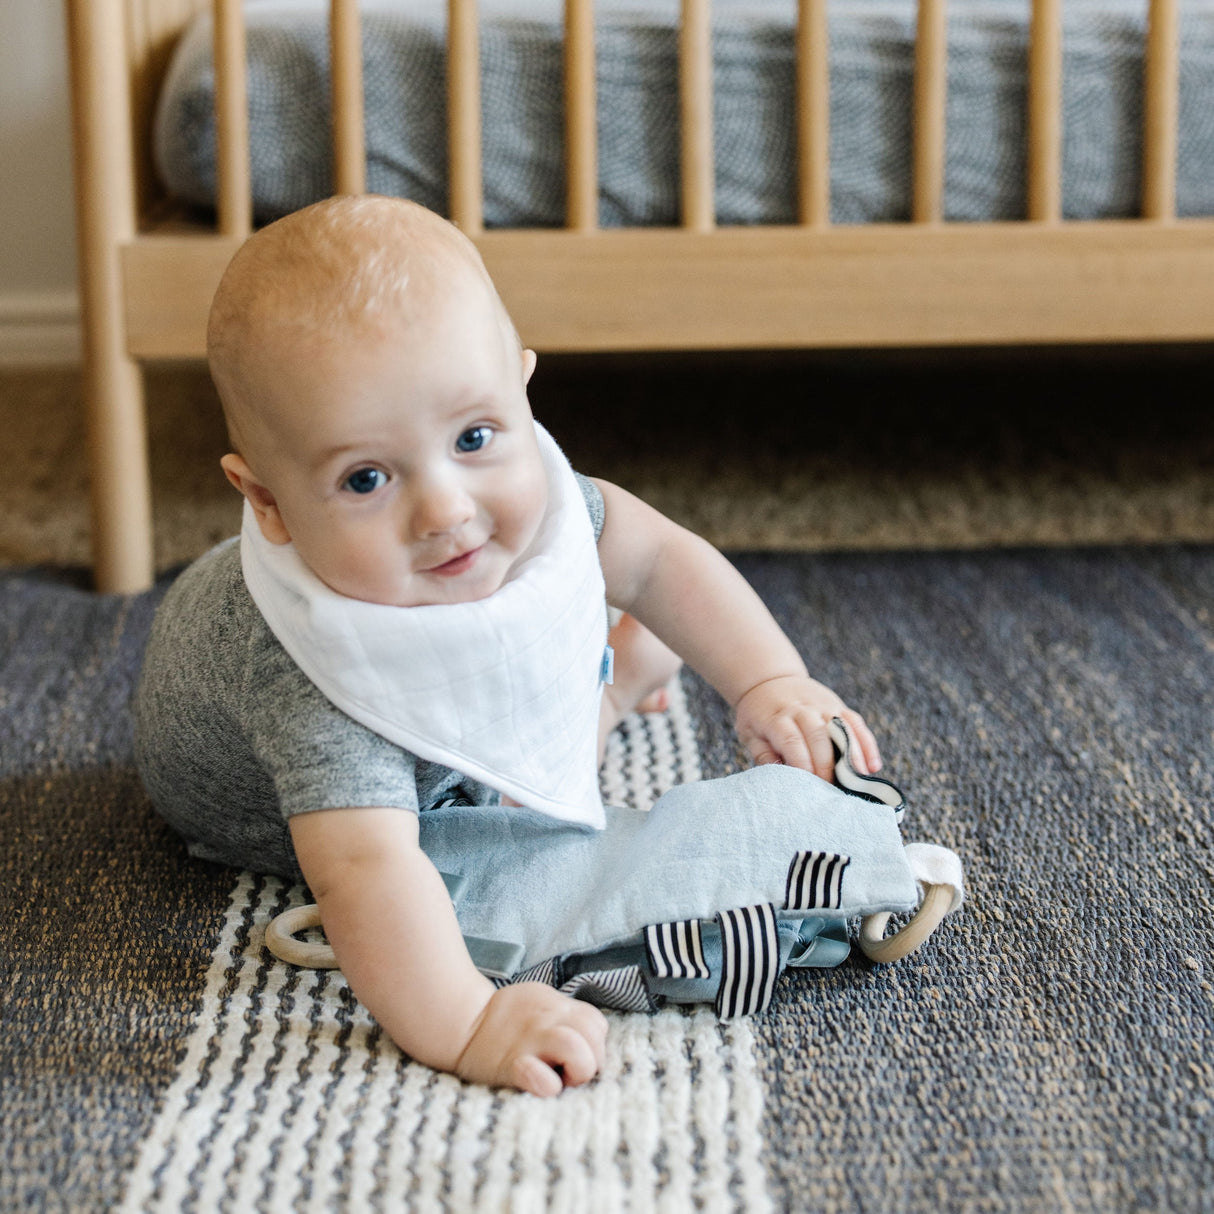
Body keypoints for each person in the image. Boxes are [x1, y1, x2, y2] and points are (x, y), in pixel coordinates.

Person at [134, 195, 882, 1098]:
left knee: (524, 757)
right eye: (365, 478)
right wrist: (468, 1021)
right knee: (491, 855)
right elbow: (367, 872)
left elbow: (658, 560)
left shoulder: (548, 510)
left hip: (401, 748)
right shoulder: (319, 680)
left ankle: (596, 691)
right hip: (305, 810)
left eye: (475, 436)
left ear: (522, 388)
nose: (446, 509)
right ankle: (605, 694)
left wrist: (769, 680)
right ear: (266, 501)